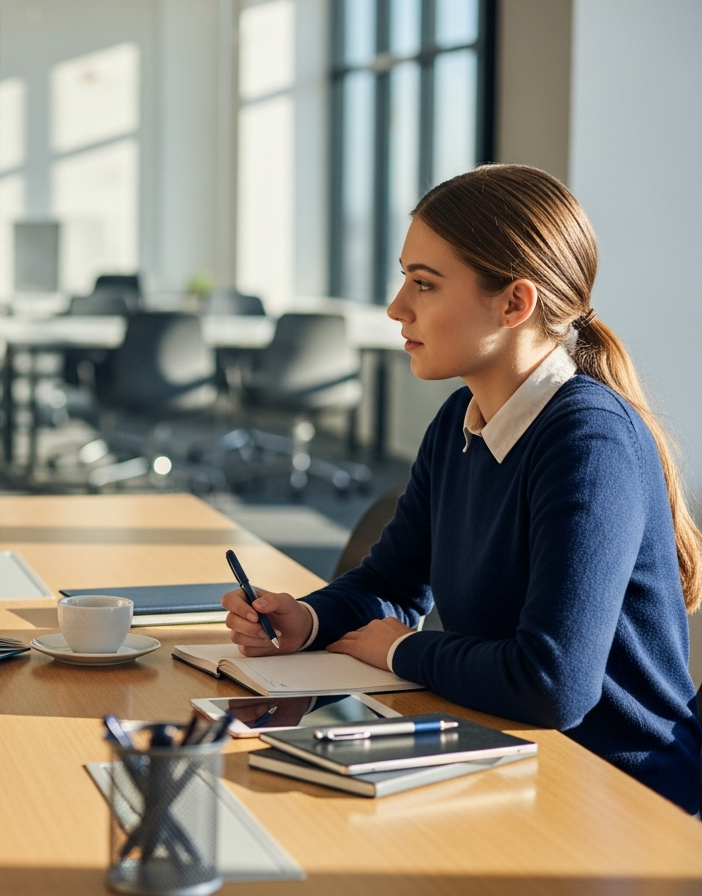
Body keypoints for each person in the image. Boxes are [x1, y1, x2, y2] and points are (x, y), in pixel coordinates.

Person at [223, 164, 702, 815]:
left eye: (424, 284)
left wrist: (401, 649)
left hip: (617, 791)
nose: (397, 307)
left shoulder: (588, 441)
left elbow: (553, 685)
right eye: (404, 277)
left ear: (514, 303)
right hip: (509, 754)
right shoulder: (461, 419)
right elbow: (392, 582)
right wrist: (307, 618)